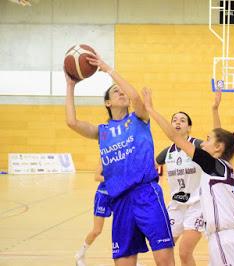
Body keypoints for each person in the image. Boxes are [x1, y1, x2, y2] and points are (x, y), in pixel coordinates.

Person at [65, 51, 175, 266]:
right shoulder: (102, 131)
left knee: (164, 261)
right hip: (120, 201)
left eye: (122, 90)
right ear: (107, 103)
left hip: (146, 194)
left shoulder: (139, 119)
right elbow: (72, 122)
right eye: (116, 92)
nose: (121, 93)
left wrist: (108, 69)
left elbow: (135, 97)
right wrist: (71, 85)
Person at [142, 88, 234, 266]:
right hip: (226, 234)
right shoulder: (222, 164)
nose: (204, 142)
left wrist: (150, 108)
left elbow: (173, 136)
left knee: (184, 252)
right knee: (164, 248)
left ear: (217, 148)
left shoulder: (211, 163)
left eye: (208, 139)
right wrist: (214, 109)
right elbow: (221, 140)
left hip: (222, 234)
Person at [155, 112, 204, 266]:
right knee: (164, 251)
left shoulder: (198, 145)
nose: (178, 122)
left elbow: (217, 154)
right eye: (174, 120)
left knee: (184, 252)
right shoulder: (167, 152)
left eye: (182, 120)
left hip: (197, 205)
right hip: (176, 206)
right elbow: (150, 167)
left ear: (189, 127)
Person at [75, 161, 111, 266]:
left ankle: (130, 259)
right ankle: (80, 254)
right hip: (103, 196)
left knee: (124, 229)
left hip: (117, 196)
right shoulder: (105, 158)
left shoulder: (124, 157)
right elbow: (96, 177)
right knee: (97, 230)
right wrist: (113, 180)